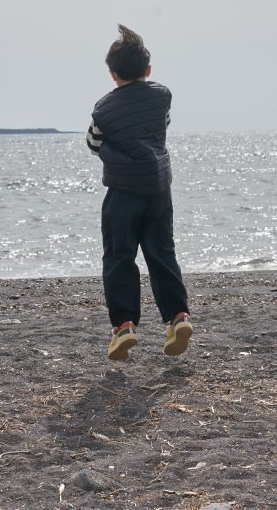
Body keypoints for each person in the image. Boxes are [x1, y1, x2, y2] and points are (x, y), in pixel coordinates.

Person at [86, 25, 192, 361]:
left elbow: (92, 143)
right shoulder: (162, 96)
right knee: (161, 253)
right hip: (159, 189)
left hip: (122, 193)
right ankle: (177, 318)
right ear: (148, 71)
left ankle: (125, 326)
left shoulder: (104, 108)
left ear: (112, 73)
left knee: (119, 257)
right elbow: (164, 125)